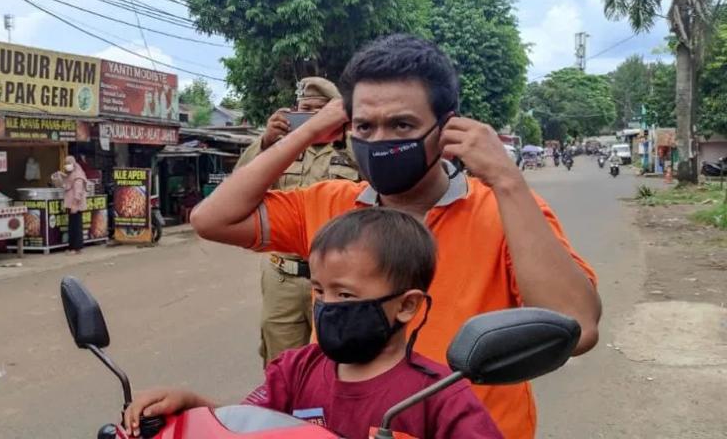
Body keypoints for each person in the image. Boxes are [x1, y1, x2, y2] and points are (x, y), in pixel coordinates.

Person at [190, 34, 601, 439]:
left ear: (448, 127)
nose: (380, 141)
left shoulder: (503, 209)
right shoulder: (329, 204)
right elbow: (211, 219)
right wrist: (305, 133)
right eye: (365, 126)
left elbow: (578, 326)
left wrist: (507, 179)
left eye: (401, 124)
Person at [124, 208, 502, 439]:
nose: (327, 306)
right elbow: (249, 426)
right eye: (320, 291)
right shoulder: (295, 370)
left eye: (345, 295)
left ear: (406, 306)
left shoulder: (440, 397)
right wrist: (194, 404)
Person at [234, 76, 360, 366]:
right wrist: (266, 141)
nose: (307, 118)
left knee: (341, 359)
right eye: (302, 110)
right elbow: (237, 189)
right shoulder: (280, 149)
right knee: (281, 361)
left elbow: (383, 183)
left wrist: (345, 131)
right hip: (283, 275)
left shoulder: (350, 146)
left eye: (317, 111)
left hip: (341, 274)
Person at [54, 155, 88, 254]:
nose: (67, 166)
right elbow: (66, 183)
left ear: (73, 163)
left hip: (75, 206)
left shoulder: (78, 175)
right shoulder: (71, 174)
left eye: (68, 163)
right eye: (66, 164)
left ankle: (76, 248)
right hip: (72, 206)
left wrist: (74, 205)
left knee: (75, 227)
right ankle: (72, 247)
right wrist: (60, 175)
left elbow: (78, 192)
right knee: (73, 226)